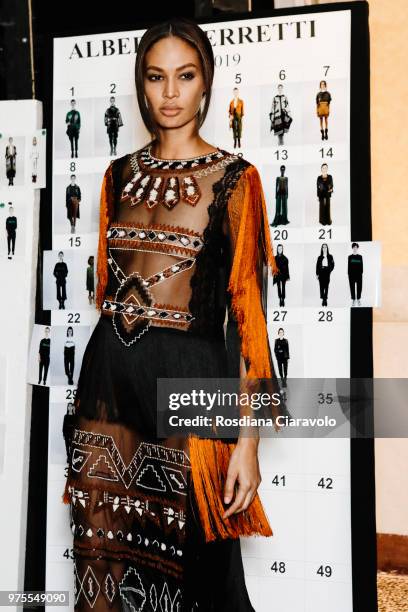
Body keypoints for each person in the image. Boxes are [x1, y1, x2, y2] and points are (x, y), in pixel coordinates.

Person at [62, 18, 283, 611]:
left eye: (184, 77)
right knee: (107, 559)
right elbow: (111, 295)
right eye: (156, 77)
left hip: (192, 386)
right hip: (109, 389)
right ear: (141, 85)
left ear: (205, 83)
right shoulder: (118, 176)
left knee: (204, 575)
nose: (169, 93)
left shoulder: (239, 180)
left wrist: (248, 441)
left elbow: (250, 316)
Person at [316, 243, 335, 307]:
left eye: (325, 247)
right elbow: (317, 266)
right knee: (321, 286)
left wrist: (329, 270)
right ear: (322, 248)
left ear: (327, 248)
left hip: (327, 271)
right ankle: (323, 298)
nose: (324, 248)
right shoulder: (319, 257)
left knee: (326, 286)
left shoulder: (330, 256)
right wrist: (317, 273)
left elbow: (333, 265)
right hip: (321, 271)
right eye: (323, 247)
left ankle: (325, 300)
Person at [348, 242, 363, 306]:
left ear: (357, 248)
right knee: (352, 287)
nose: (355, 248)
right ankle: (353, 300)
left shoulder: (360, 257)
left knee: (359, 287)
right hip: (351, 275)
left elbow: (362, 266)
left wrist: (361, 273)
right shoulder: (350, 257)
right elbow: (348, 266)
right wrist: (349, 274)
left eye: (356, 247)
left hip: (359, 274)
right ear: (352, 248)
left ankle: (358, 299)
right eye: (354, 247)